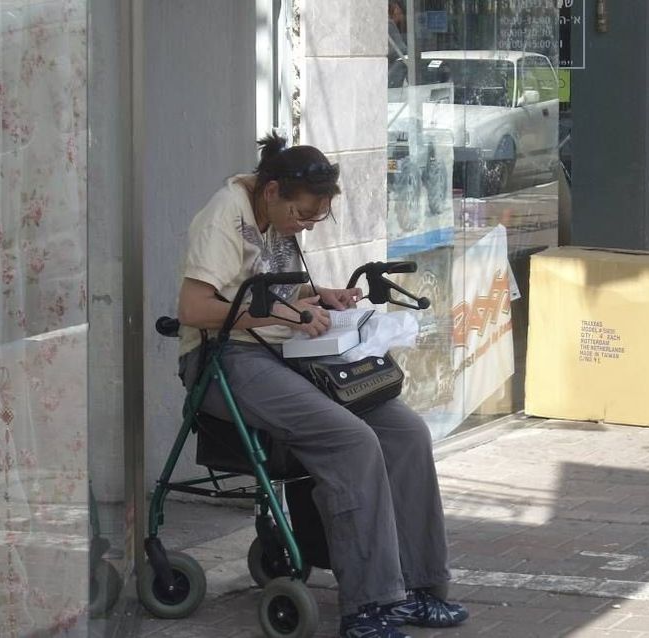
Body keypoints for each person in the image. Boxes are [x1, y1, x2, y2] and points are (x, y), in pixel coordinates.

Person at [176, 132, 468, 638]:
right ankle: (369, 605)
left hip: (283, 351)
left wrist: (322, 295)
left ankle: (421, 587)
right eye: (303, 215)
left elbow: (277, 285)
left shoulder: (277, 218)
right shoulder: (225, 215)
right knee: (352, 440)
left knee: (406, 432)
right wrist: (281, 313)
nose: (306, 225)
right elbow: (194, 308)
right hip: (224, 359)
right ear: (272, 192)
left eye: (316, 217)